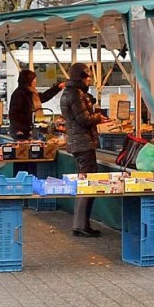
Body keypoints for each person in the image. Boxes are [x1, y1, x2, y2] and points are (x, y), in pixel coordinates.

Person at [60, 63, 106, 237]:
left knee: (84, 182)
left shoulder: (69, 92)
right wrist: (98, 117)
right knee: (87, 183)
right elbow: (84, 119)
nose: (89, 80)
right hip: (83, 143)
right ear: (81, 77)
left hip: (77, 142)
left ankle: (81, 224)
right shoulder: (76, 94)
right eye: (87, 77)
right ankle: (81, 225)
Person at [8, 69, 63, 141]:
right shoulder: (20, 94)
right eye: (34, 79)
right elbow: (14, 113)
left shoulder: (31, 93)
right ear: (29, 81)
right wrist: (18, 129)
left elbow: (43, 97)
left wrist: (57, 88)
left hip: (27, 129)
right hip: (21, 131)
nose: (35, 81)